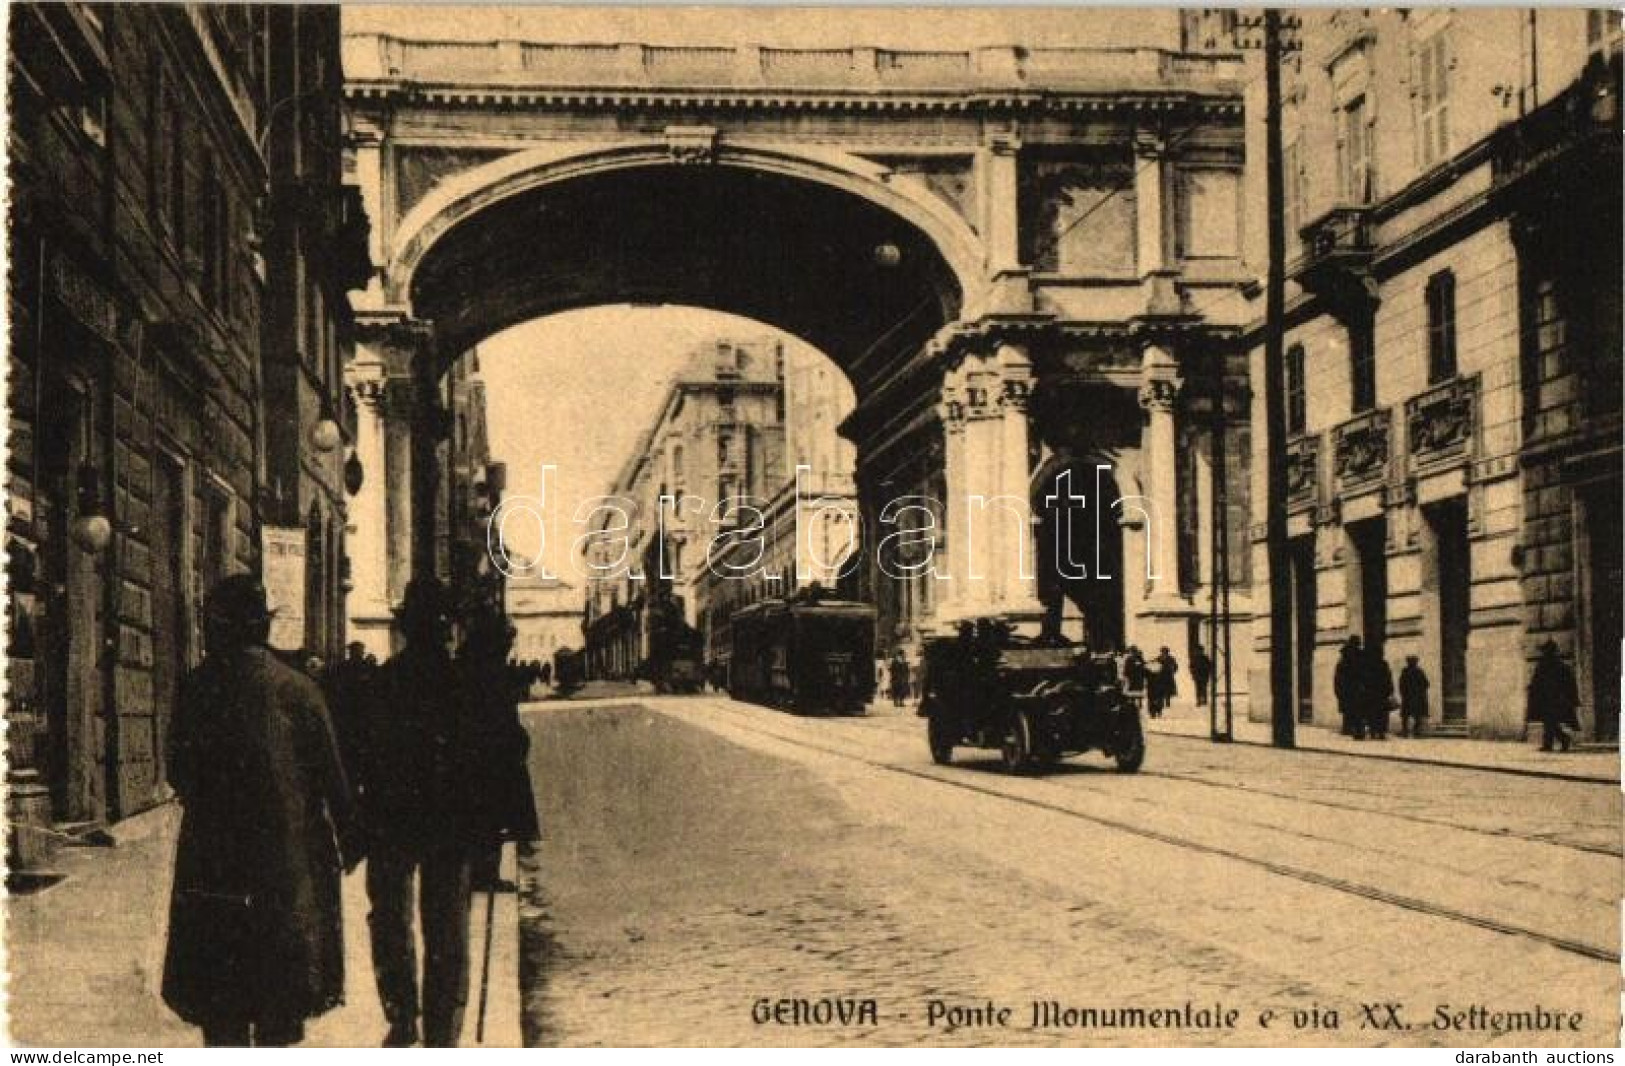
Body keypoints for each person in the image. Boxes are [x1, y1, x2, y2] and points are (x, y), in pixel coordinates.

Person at [162, 575, 358, 1047]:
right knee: (280, 1007)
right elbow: (334, 778)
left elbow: (178, 770)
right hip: (285, 873)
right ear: (262, 629)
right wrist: (350, 839)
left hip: (215, 871)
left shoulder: (195, 687)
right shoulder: (300, 690)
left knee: (222, 1011)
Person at [360, 579, 480, 1048]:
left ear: (406, 628)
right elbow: (483, 760)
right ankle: (442, 1036)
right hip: (449, 823)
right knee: (448, 929)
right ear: (447, 628)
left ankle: (402, 1015)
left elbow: (364, 753)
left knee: (391, 920)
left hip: (393, 820)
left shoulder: (385, 680)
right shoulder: (462, 684)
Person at [459, 611, 542, 895]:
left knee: (489, 819)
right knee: (490, 818)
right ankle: (485, 875)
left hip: (487, 756)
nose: (509, 646)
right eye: (506, 640)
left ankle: (484, 873)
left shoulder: (474, 666)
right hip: (490, 758)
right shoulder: (489, 672)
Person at [1527, 640, 1581, 752]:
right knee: (1550, 722)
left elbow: (1536, 683)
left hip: (1551, 700)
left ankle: (1560, 740)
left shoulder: (1546, 666)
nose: (1543, 653)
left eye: (1545, 651)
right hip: (1554, 700)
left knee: (1550, 722)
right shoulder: (1560, 666)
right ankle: (1552, 743)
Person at [1363, 647, 1394, 741]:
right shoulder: (1383, 664)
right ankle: (1381, 732)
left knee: (1373, 714)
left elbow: (1365, 679)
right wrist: (1390, 690)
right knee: (1382, 714)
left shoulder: (1369, 665)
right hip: (1381, 693)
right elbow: (1388, 678)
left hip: (1373, 693)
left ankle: (1374, 732)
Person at [1335, 636, 1363, 738]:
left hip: (1345, 687)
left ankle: (1348, 728)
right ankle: (1357, 729)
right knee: (1357, 709)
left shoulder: (1343, 657)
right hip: (1355, 686)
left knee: (1348, 709)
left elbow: (1338, 675)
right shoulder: (1359, 655)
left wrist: (1338, 689)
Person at [1398, 656, 1430, 738]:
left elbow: (1401, 685)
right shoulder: (1418, 671)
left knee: (1406, 716)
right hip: (1416, 697)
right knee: (1417, 716)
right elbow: (1426, 684)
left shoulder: (1405, 671)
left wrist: (1403, 693)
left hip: (1408, 697)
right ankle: (1415, 732)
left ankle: (1406, 732)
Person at [1149, 647, 1179, 718]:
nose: (1164, 653)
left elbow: (1175, 666)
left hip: (1168, 677)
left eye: (1165, 652)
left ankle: (1167, 701)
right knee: (1161, 692)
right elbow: (1154, 666)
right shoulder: (1158, 658)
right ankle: (1161, 704)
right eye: (1163, 652)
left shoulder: (1171, 659)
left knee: (1168, 690)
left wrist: (1173, 670)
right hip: (1160, 678)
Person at [1191, 644, 1213, 708]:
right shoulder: (1195, 659)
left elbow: (1210, 666)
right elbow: (1191, 667)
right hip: (1198, 676)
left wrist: (1208, 672)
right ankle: (1199, 701)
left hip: (1204, 676)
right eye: (1197, 651)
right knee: (1198, 689)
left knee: (1203, 688)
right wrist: (1193, 673)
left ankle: (1204, 700)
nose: (1198, 652)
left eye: (1199, 651)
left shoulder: (1205, 658)